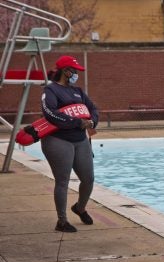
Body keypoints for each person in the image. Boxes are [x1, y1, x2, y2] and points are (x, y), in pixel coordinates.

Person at [41, 55, 99, 232]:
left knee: (88, 179)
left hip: (80, 139)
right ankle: (62, 221)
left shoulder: (78, 91)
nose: (76, 74)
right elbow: (50, 112)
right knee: (62, 181)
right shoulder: (50, 91)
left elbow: (93, 109)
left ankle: (80, 208)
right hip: (58, 140)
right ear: (66, 71)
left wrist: (92, 122)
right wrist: (76, 123)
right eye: (74, 71)